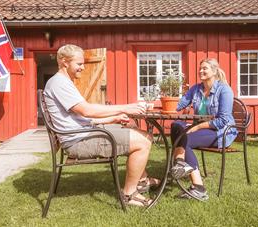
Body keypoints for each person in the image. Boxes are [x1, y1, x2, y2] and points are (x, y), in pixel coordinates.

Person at [44, 44, 160, 207]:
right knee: (144, 141)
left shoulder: (62, 82)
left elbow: (79, 118)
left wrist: (113, 118)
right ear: (64, 62)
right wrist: (125, 107)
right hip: (79, 141)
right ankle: (129, 194)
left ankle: (141, 180)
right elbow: (86, 110)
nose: (83, 68)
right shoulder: (59, 83)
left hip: (82, 134)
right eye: (79, 64)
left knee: (136, 131)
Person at [170, 58, 237, 201]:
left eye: (205, 68)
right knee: (176, 126)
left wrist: (197, 127)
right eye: (200, 68)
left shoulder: (224, 90)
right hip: (201, 130)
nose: (201, 71)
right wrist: (165, 100)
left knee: (184, 138)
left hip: (221, 132)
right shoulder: (196, 89)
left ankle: (198, 187)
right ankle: (180, 163)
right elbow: (179, 104)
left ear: (214, 71)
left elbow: (223, 120)